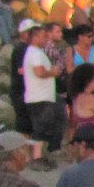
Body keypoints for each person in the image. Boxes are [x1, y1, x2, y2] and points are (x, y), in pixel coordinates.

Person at [20, 22, 63, 169]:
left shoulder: (34, 53)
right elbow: (39, 72)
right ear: (35, 37)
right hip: (39, 97)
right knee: (41, 128)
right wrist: (53, 72)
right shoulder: (35, 53)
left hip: (39, 96)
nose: (46, 39)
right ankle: (37, 157)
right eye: (44, 36)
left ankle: (37, 156)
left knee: (42, 127)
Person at [8, 20, 36, 134]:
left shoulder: (28, 49)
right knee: (24, 126)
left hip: (25, 91)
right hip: (21, 91)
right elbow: (22, 70)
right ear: (23, 33)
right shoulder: (21, 50)